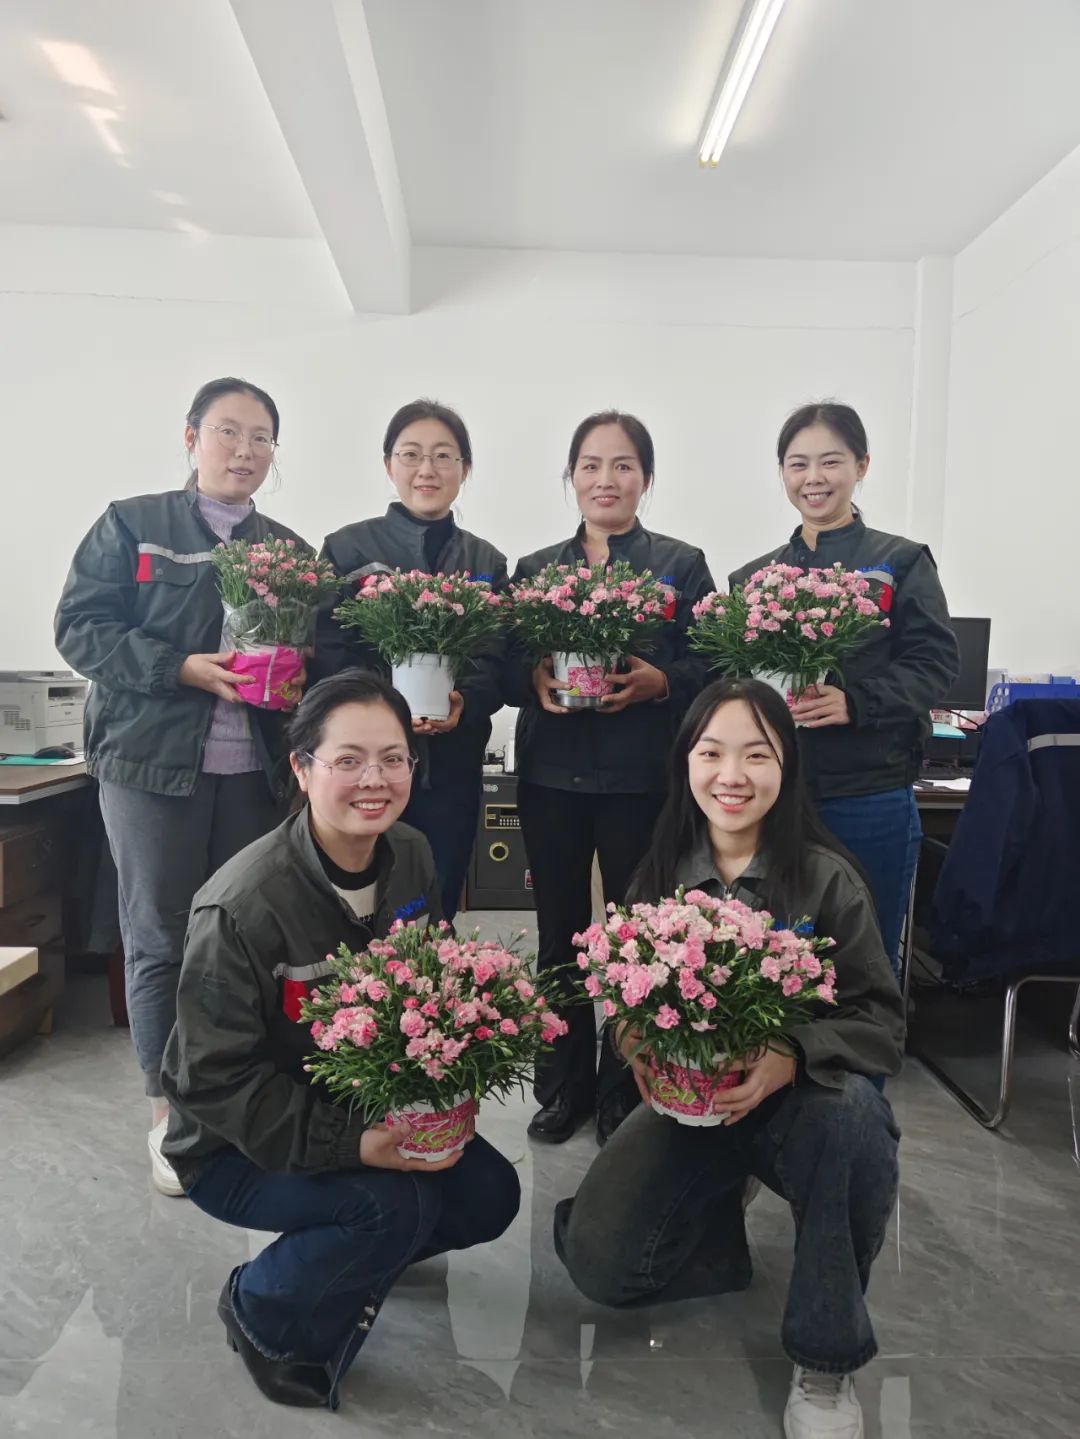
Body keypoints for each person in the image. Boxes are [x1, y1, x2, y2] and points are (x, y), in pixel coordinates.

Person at [159, 671, 521, 1411]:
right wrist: (355, 1145)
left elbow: (432, 988)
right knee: (392, 1206)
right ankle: (259, 1305)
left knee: (489, 1193)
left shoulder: (412, 853)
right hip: (233, 1145)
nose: (374, 780)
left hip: (360, 1102)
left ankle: (355, 1255)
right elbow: (212, 1082)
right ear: (302, 768)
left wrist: (451, 1086)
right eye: (348, 760)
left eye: (393, 758)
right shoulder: (242, 905)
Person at [555, 678, 904, 1439]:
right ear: (685, 761)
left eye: (757, 755)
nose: (732, 776)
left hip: (799, 1105)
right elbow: (622, 992)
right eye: (711, 753)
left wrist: (790, 1054)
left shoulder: (826, 877)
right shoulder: (659, 872)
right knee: (601, 1266)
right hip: (687, 1106)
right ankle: (719, 1215)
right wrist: (632, 1039)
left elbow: (881, 1021)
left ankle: (825, 1358)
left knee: (854, 1119)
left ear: (788, 766)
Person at [54, 376, 310, 1197]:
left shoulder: (289, 550)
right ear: (193, 436)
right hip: (151, 769)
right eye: (229, 431)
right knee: (161, 937)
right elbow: (80, 629)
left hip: (254, 775)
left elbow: (310, 655)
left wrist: (299, 678)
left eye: (261, 437)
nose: (245, 450)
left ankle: (234, 1096)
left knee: (243, 939)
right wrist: (181, 668)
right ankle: (168, 1110)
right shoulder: (133, 525)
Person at [506, 410, 714, 1146]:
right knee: (559, 936)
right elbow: (505, 661)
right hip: (552, 779)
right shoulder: (536, 569)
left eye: (623, 465)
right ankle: (562, 1087)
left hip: (642, 780)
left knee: (636, 940)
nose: (606, 479)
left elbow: (713, 660)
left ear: (646, 479)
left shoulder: (681, 564)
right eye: (590, 465)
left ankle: (625, 1085)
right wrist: (531, 676)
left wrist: (664, 681)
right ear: (571, 477)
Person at [730, 401, 959, 978]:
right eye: (798, 464)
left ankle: (864, 1045)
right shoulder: (753, 579)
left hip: (870, 793)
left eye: (830, 461)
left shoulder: (900, 562)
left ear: (862, 465)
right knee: (772, 959)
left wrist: (856, 702)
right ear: (782, 473)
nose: (814, 478)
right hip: (777, 796)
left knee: (865, 960)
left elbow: (935, 663)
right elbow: (730, 680)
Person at [313, 399, 507, 921]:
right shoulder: (347, 549)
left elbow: (497, 659)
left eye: (444, 456)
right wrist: (388, 705)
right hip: (365, 767)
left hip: (451, 767)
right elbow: (328, 653)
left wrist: (465, 699)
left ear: (465, 469)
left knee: (435, 902)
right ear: (388, 464)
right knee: (358, 905)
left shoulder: (485, 561)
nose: (428, 470)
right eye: (412, 454)